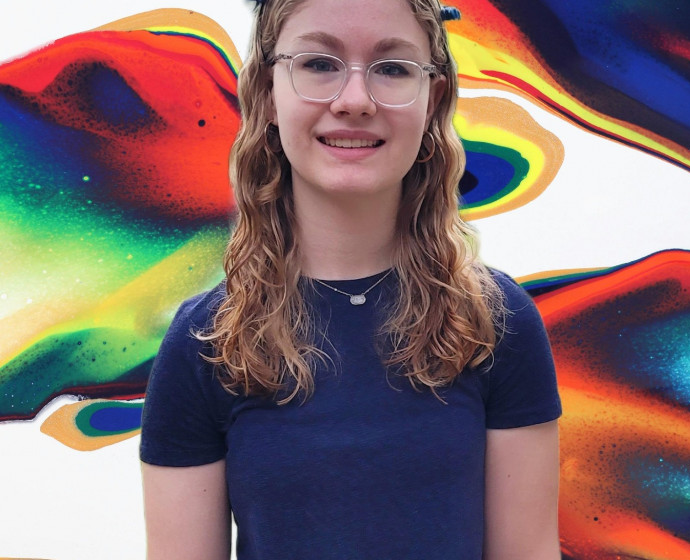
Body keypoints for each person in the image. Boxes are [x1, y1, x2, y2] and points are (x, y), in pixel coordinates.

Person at [139, 0, 562, 558]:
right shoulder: (205, 341)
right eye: (319, 63)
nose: (355, 100)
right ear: (266, 93)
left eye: (392, 68)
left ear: (433, 100)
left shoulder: (496, 322)